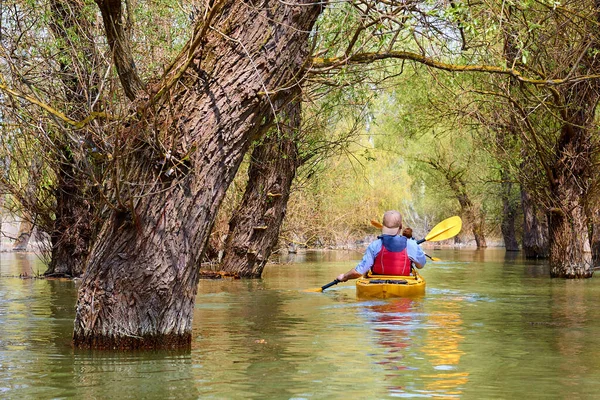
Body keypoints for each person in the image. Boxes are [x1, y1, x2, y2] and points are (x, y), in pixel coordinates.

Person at [336, 210, 426, 282]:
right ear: (401, 226)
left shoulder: (375, 245)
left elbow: (359, 272)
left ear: (383, 226)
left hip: (376, 283)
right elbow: (420, 265)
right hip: (404, 284)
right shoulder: (412, 244)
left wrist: (344, 276)